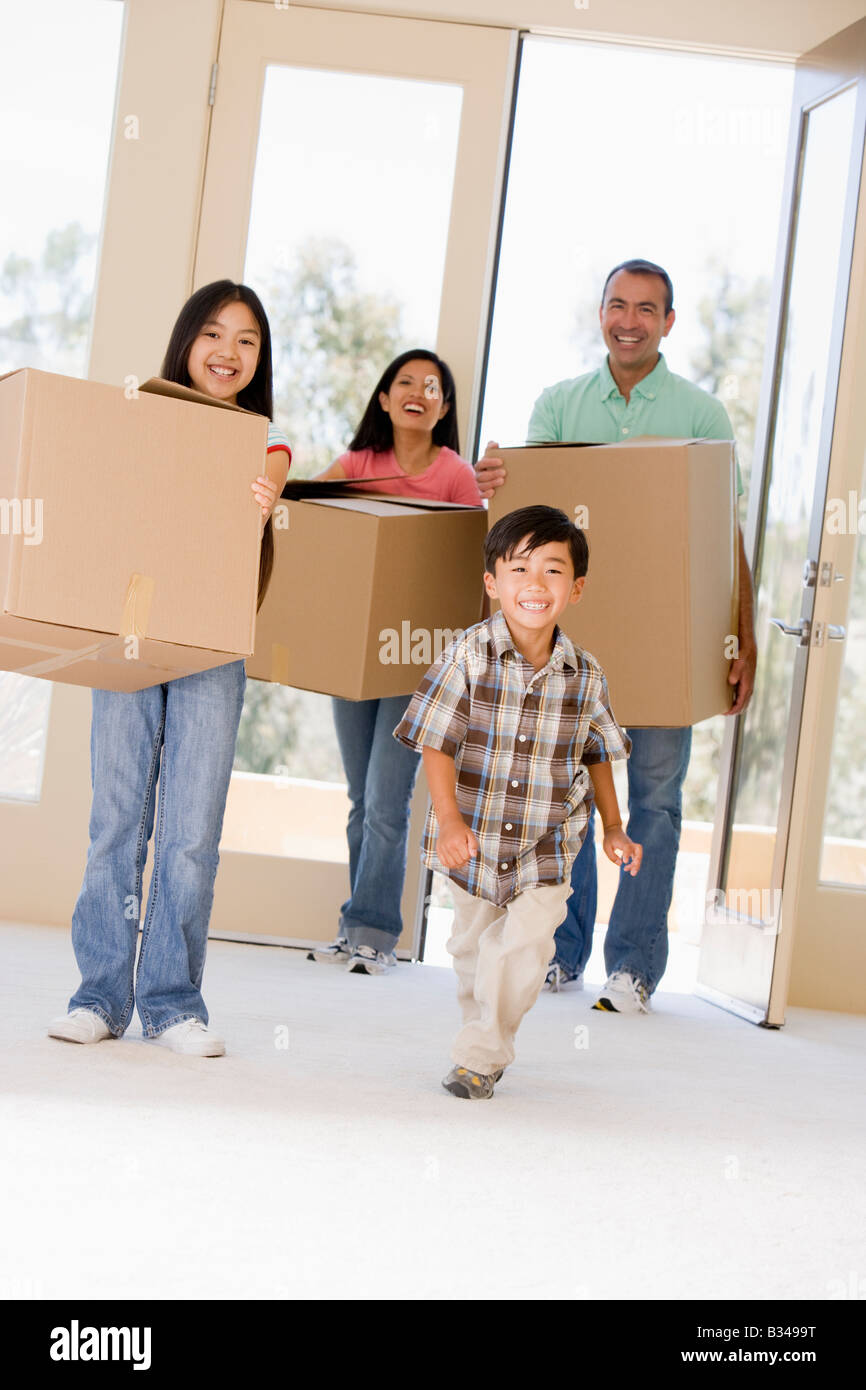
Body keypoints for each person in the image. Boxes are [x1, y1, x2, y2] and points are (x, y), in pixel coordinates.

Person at [476, 258, 757, 1015]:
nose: (628, 319)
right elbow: (527, 529)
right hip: (572, 649)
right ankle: (563, 953)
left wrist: (744, 639)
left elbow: (725, 538)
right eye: (616, 305)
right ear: (600, 314)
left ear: (669, 322)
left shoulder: (702, 417)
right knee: (564, 797)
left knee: (655, 805)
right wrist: (496, 487)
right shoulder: (560, 406)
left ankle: (633, 966)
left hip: (670, 646)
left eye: (646, 308)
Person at [48, 280, 291, 1056]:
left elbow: (274, 473)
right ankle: (99, 996)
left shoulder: (265, 444)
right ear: (187, 342)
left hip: (212, 646)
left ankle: (173, 1004)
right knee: (118, 819)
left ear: (260, 358)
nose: (229, 351)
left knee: (191, 832)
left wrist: (262, 496)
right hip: (130, 635)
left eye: (247, 339)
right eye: (214, 334)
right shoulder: (136, 422)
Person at [394, 506, 639, 1097]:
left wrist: (613, 826)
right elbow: (436, 739)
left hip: (547, 844)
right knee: (475, 955)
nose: (535, 585)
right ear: (492, 582)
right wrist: (448, 819)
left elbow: (598, 753)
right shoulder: (468, 655)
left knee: (524, 950)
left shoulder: (585, 674)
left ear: (576, 588)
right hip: (472, 840)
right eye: (519, 568)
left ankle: (479, 1056)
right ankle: (484, 1037)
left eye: (553, 571)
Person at [306, 350, 482, 976]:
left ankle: (376, 932)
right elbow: (308, 516)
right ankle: (357, 922)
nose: (417, 392)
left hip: (420, 663)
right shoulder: (358, 465)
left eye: (431, 386)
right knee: (361, 796)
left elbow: (471, 566)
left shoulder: (455, 476)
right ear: (383, 399)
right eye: (403, 382)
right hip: (356, 655)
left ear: (445, 406)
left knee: (387, 799)